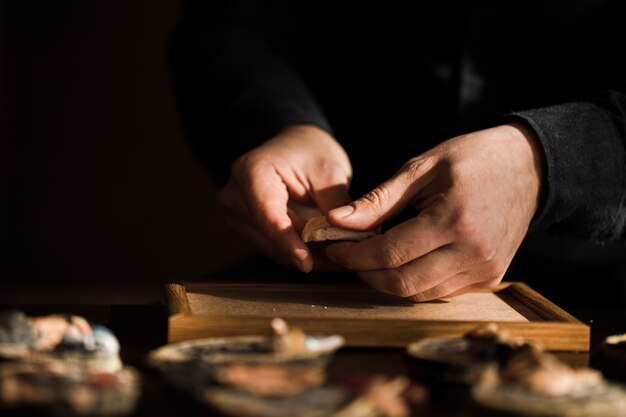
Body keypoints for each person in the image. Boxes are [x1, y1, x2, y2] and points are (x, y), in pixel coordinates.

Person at [169, 1, 626, 301]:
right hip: (320, 281)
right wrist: (281, 124)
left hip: (588, 294)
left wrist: (544, 162)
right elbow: (231, 21)